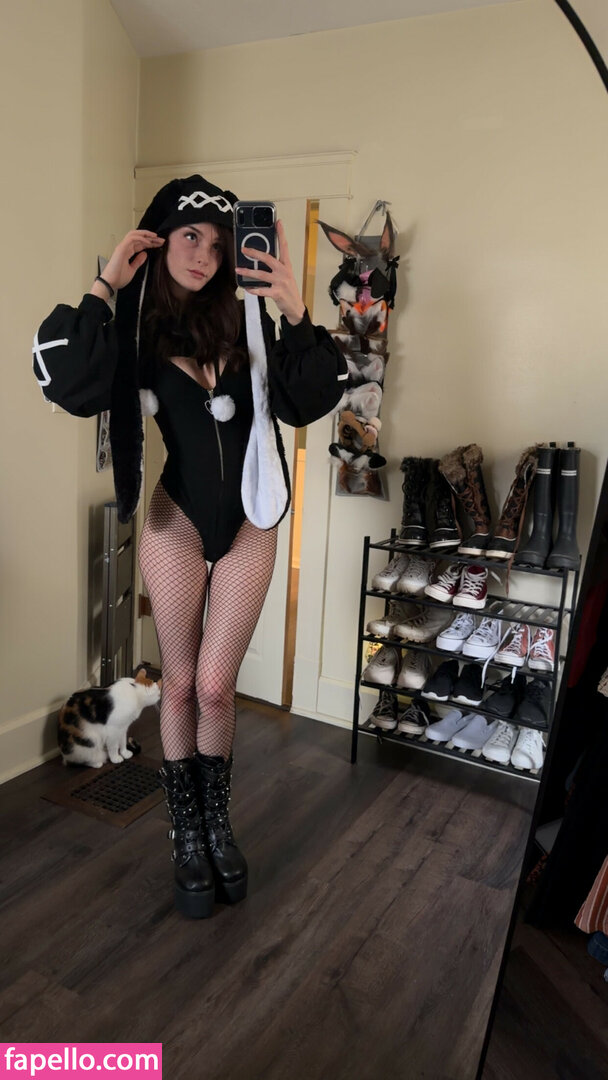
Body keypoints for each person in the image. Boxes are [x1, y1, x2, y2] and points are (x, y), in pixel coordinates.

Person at [33, 175, 347, 918]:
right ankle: (186, 835)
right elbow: (66, 380)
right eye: (188, 237)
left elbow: (311, 398)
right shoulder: (138, 336)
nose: (203, 254)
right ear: (161, 240)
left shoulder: (251, 324)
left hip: (251, 522)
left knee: (215, 688)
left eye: (216, 242)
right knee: (177, 685)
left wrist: (295, 308)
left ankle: (217, 822)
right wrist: (107, 284)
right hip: (175, 517)